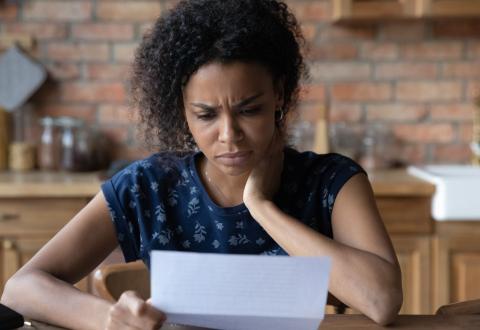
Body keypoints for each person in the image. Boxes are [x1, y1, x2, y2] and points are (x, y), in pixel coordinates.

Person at [1, 0, 403, 328]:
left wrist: (262, 207)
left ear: (279, 95)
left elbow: (382, 301)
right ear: (183, 112)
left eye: (250, 109)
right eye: (207, 115)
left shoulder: (333, 181)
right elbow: (21, 288)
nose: (229, 134)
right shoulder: (149, 185)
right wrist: (109, 318)